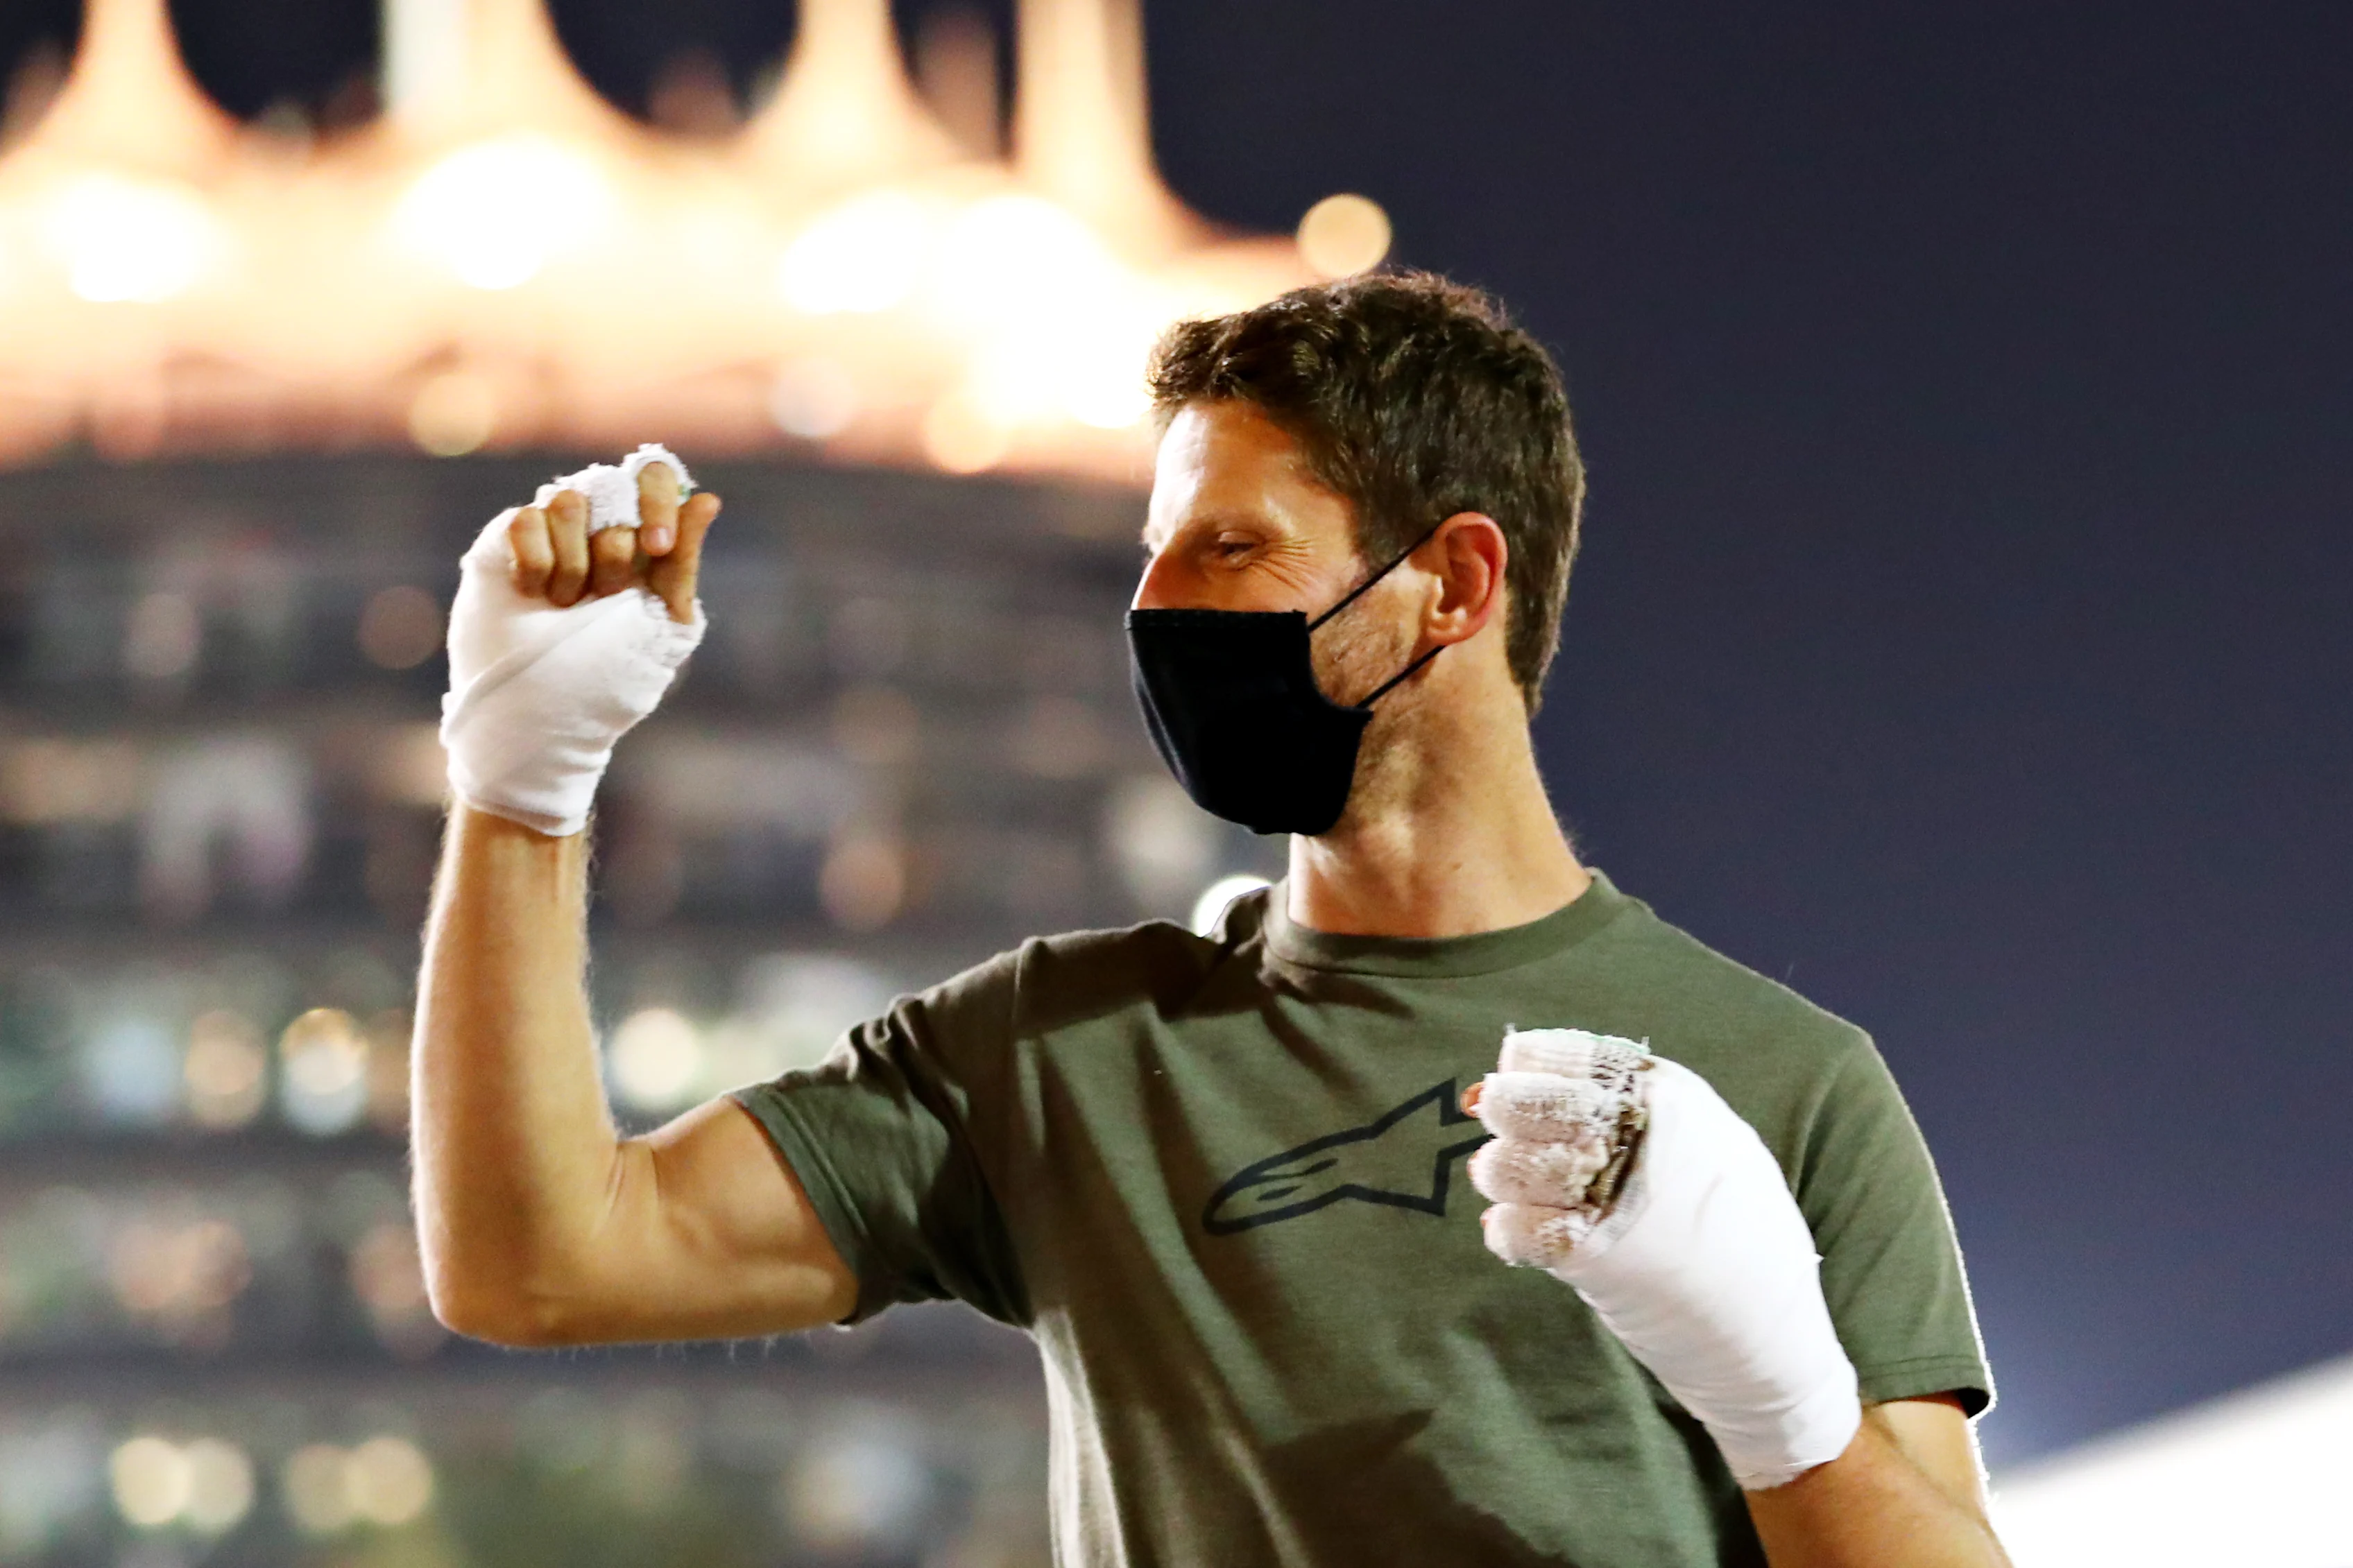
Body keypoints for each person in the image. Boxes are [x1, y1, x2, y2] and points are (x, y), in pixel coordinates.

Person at [414, 273, 2008, 1567]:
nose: (1160, 606)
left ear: (1451, 583)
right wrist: (520, 788)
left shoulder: (1783, 1078)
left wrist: (1783, 1399)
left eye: (1231, 547)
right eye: (1154, 551)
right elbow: (534, 1261)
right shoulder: (1057, 1046)